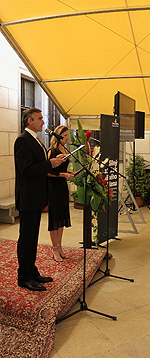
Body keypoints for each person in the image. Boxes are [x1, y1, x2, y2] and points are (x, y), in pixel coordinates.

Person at [15, 108, 65, 291]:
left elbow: (39, 164)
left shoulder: (35, 139)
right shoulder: (22, 140)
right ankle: (24, 276)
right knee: (26, 237)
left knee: (33, 236)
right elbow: (26, 169)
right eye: (40, 118)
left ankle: (32, 270)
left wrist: (53, 162)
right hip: (28, 197)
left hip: (36, 196)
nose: (43, 122)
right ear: (29, 121)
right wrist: (48, 164)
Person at [47, 125, 75, 262]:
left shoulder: (65, 150)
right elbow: (47, 172)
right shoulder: (51, 151)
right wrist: (64, 174)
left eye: (67, 135)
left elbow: (63, 169)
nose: (67, 138)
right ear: (58, 136)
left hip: (63, 186)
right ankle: (54, 248)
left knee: (61, 219)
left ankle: (59, 246)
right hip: (53, 187)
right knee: (54, 219)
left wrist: (70, 174)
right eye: (64, 135)